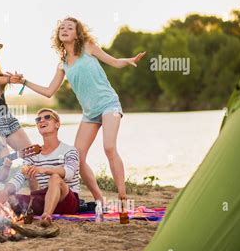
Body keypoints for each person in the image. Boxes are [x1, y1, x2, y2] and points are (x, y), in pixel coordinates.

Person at [17, 17, 146, 204]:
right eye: (62, 28)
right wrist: (24, 82)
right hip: (89, 113)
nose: (65, 29)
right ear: (58, 36)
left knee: (109, 147)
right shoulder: (62, 63)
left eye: (70, 27)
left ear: (78, 34)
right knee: (78, 157)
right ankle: (99, 199)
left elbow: (115, 62)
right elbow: (49, 91)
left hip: (109, 103)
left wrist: (129, 60)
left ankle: (122, 195)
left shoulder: (89, 47)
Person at [3, 108, 80, 227]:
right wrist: (4, 192)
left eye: (47, 117)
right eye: (38, 119)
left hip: (67, 200)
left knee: (55, 178)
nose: (42, 120)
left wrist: (43, 169)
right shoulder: (33, 154)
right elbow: (19, 177)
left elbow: (69, 173)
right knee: (11, 199)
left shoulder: (70, 150)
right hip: (43, 199)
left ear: (57, 124)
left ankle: (46, 216)